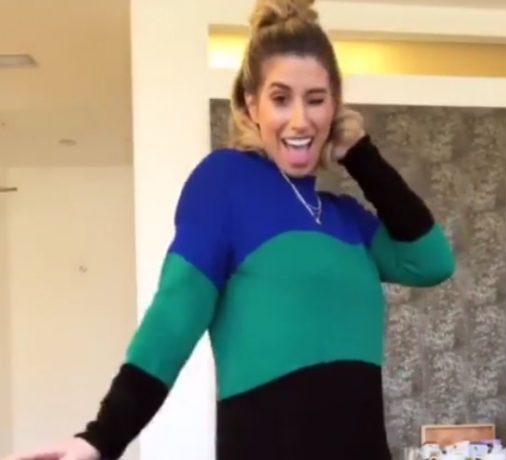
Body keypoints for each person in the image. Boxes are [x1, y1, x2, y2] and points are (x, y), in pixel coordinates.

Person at [2, 0, 455, 458]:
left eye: (316, 100)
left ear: (335, 108)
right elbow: (174, 316)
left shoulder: (347, 218)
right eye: (281, 98)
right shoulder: (225, 182)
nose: (300, 120)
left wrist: (361, 154)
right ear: (251, 103)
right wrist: (101, 437)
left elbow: (433, 261)